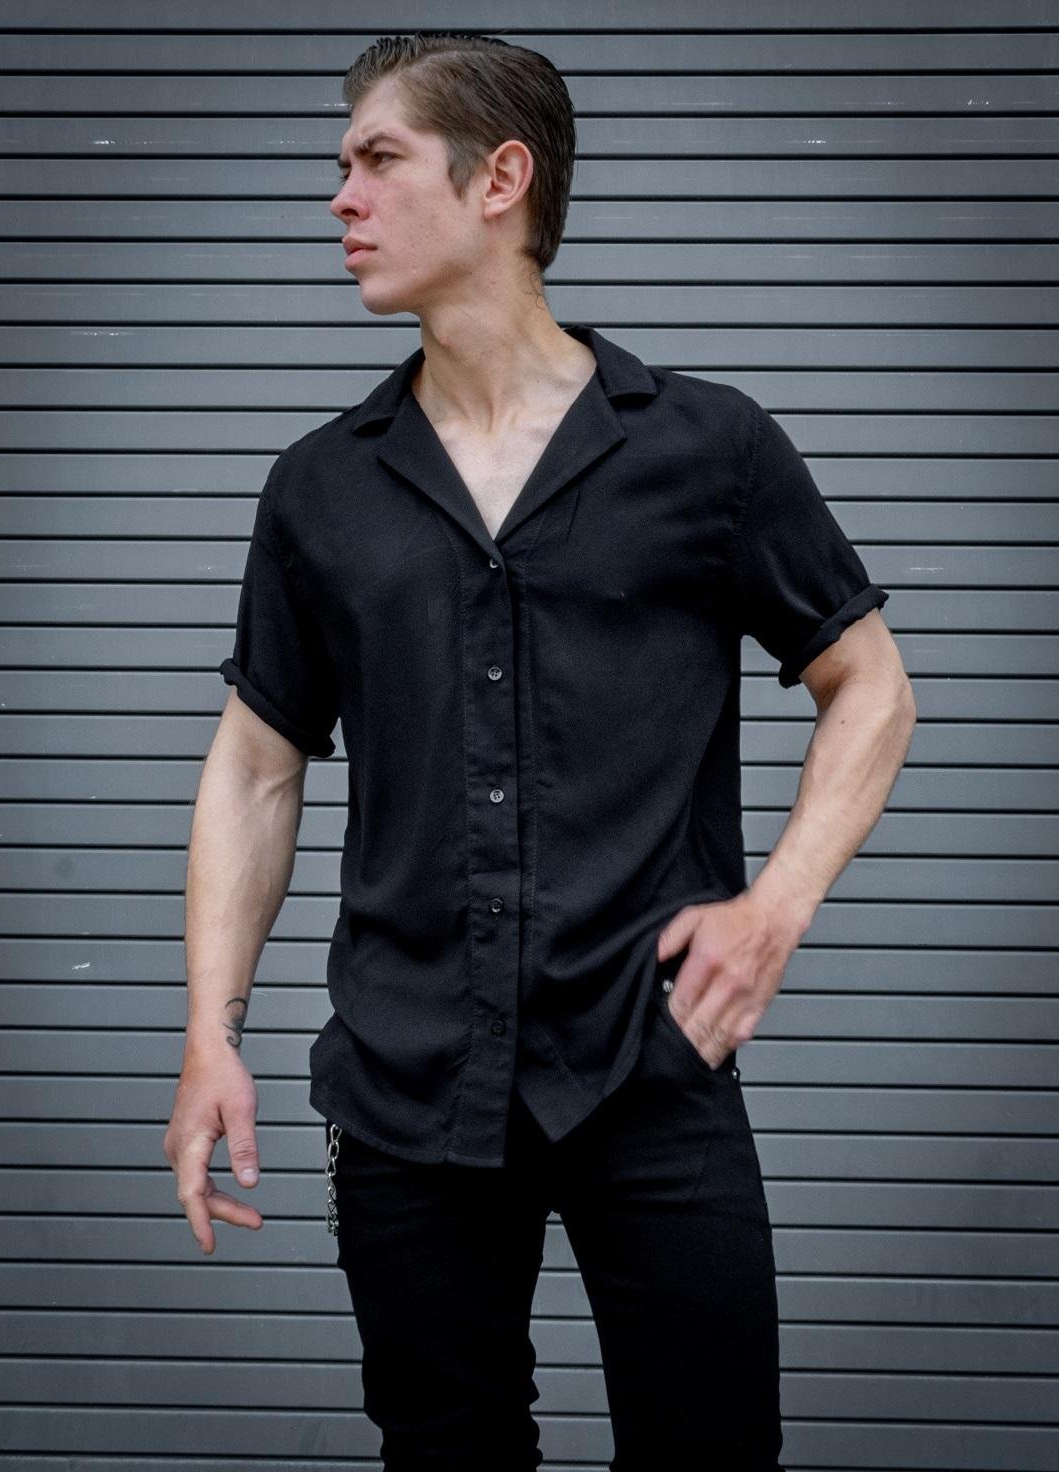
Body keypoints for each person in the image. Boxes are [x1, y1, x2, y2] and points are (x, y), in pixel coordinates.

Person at [164, 30, 916, 1472]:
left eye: (378, 160)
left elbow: (870, 684)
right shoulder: (319, 487)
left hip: (652, 1065)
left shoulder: (708, 448)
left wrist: (776, 906)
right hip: (405, 1085)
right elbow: (256, 767)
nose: (340, 198)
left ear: (498, 178)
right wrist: (212, 1033)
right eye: (342, 167)